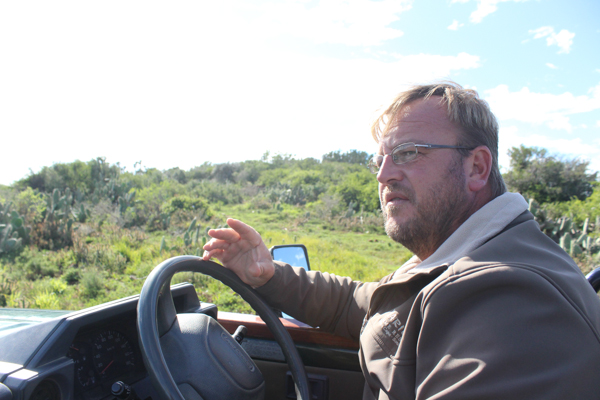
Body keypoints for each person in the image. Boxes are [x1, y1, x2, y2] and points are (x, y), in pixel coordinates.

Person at [202, 81, 600, 399]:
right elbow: (360, 304)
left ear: (476, 167)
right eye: (381, 160)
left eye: (409, 153)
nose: (383, 175)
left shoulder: (513, 301)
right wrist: (266, 275)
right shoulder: (453, 257)